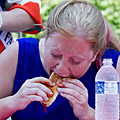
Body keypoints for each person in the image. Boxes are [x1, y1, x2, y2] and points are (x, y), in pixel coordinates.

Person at [0, 0, 120, 119]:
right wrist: (13, 102)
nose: (61, 69)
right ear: (46, 38)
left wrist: (88, 114)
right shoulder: (19, 54)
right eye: (55, 54)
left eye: (75, 61)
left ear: (95, 55)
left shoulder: (111, 68)